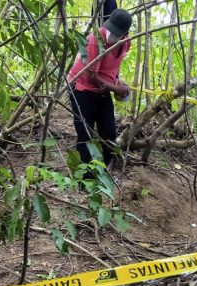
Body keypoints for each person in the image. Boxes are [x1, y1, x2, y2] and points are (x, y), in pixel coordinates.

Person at [67, 8, 132, 167]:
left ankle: (107, 168)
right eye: (110, 30)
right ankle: (86, 176)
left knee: (109, 131)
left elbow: (114, 65)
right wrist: (115, 89)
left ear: (125, 34)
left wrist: (117, 81)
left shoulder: (126, 43)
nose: (111, 36)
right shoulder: (95, 40)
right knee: (85, 132)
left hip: (103, 90)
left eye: (116, 34)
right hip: (81, 87)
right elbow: (92, 76)